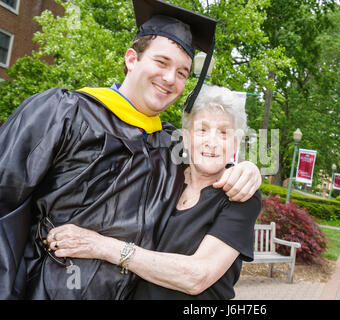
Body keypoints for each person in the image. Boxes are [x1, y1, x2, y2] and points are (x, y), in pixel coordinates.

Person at [0, 0, 261, 300]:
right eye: (162, 63)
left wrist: (249, 170)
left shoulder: (169, 144)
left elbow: (211, 158)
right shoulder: (62, 113)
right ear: (131, 59)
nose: (170, 79)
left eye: (182, 73)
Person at [46, 85, 261, 300]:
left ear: (235, 142)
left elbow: (197, 276)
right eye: (202, 130)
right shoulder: (165, 173)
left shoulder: (238, 195)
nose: (212, 142)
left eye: (224, 133)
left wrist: (100, 246)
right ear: (185, 138)